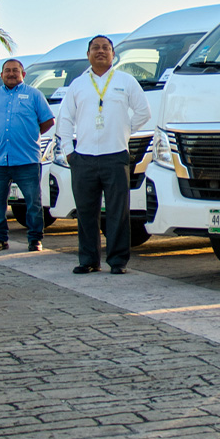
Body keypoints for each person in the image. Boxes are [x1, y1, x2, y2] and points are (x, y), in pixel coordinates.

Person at [56, 35, 151, 275]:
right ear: (88, 54)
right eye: (96, 48)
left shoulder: (125, 81)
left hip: (115, 155)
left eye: (106, 48)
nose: (101, 51)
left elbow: (144, 111)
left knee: (118, 212)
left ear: (113, 55)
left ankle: (118, 262)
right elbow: (64, 119)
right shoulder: (78, 84)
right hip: (83, 157)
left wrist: (124, 130)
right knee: (86, 213)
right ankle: (88, 260)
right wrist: (69, 152)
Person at [0, 59, 55, 253]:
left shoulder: (34, 95)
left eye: (15, 70)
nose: (11, 74)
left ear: (23, 74)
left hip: (27, 160)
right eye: (7, 71)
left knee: (33, 203)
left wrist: (31, 134)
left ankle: (35, 239)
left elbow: (48, 121)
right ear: (1, 75)